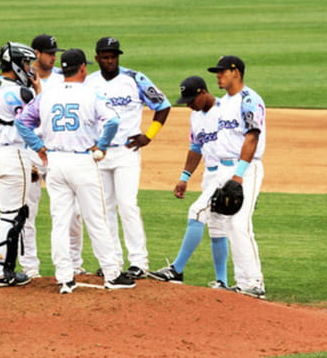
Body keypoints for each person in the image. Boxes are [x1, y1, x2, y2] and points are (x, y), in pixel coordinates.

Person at [16, 49, 136, 294]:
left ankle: (64, 278)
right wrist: (102, 145)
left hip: (55, 163)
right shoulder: (91, 93)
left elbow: (22, 122)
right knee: (96, 219)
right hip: (82, 162)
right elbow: (113, 121)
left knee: (60, 221)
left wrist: (38, 146)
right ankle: (112, 274)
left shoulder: (47, 95)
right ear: (82, 68)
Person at [150, 56, 268, 299]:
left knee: (239, 225)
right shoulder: (225, 104)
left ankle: (255, 282)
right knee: (230, 226)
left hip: (244, 169)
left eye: (222, 72)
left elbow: (252, 137)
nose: (218, 76)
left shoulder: (249, 99)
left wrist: (238, 176)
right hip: (223, 170)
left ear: (236, 73)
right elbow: (201, 145)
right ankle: (243, 282)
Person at [86, 37, 171, 280]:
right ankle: (112, 261)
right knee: (105, 209)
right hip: (99, 153)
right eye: (105, 57)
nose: (110, 61)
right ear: (97, 58)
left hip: (126, 151)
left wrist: (149, 136)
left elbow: (163, 106)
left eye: (113, 56)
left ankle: (139, 262)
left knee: (127, 205)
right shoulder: (89, 82)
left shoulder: (135, 78)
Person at [147, 76, 232, 290]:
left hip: (226, 173)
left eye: (192, 100)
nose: (189, 105)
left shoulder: (224, 111)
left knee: (196, 212)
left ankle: (176, 269)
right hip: (210, 175)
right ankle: (222, 282)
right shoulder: (196, 117)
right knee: (217, 228)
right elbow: (196, 148)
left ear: (203, 92)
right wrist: (184, 177)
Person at [0, 42, 40, 287]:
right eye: (26, 63)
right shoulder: (19, 92)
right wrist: (38, 90)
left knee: (8, 214)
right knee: (13, 216)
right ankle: (1, 272)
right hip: (13, 156)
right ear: (16, 64)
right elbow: (40, 115)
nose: (30, 68)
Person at [25, 34, 87, 278]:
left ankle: (75, 264)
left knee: (73, 214)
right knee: (27, 212)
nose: (53, 57)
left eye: (54, 53)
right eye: (49, 53)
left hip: (57, 154)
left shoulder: (63, 79)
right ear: (36, 54)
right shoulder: (24, 79)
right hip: (32, 152)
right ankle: (30, 268)